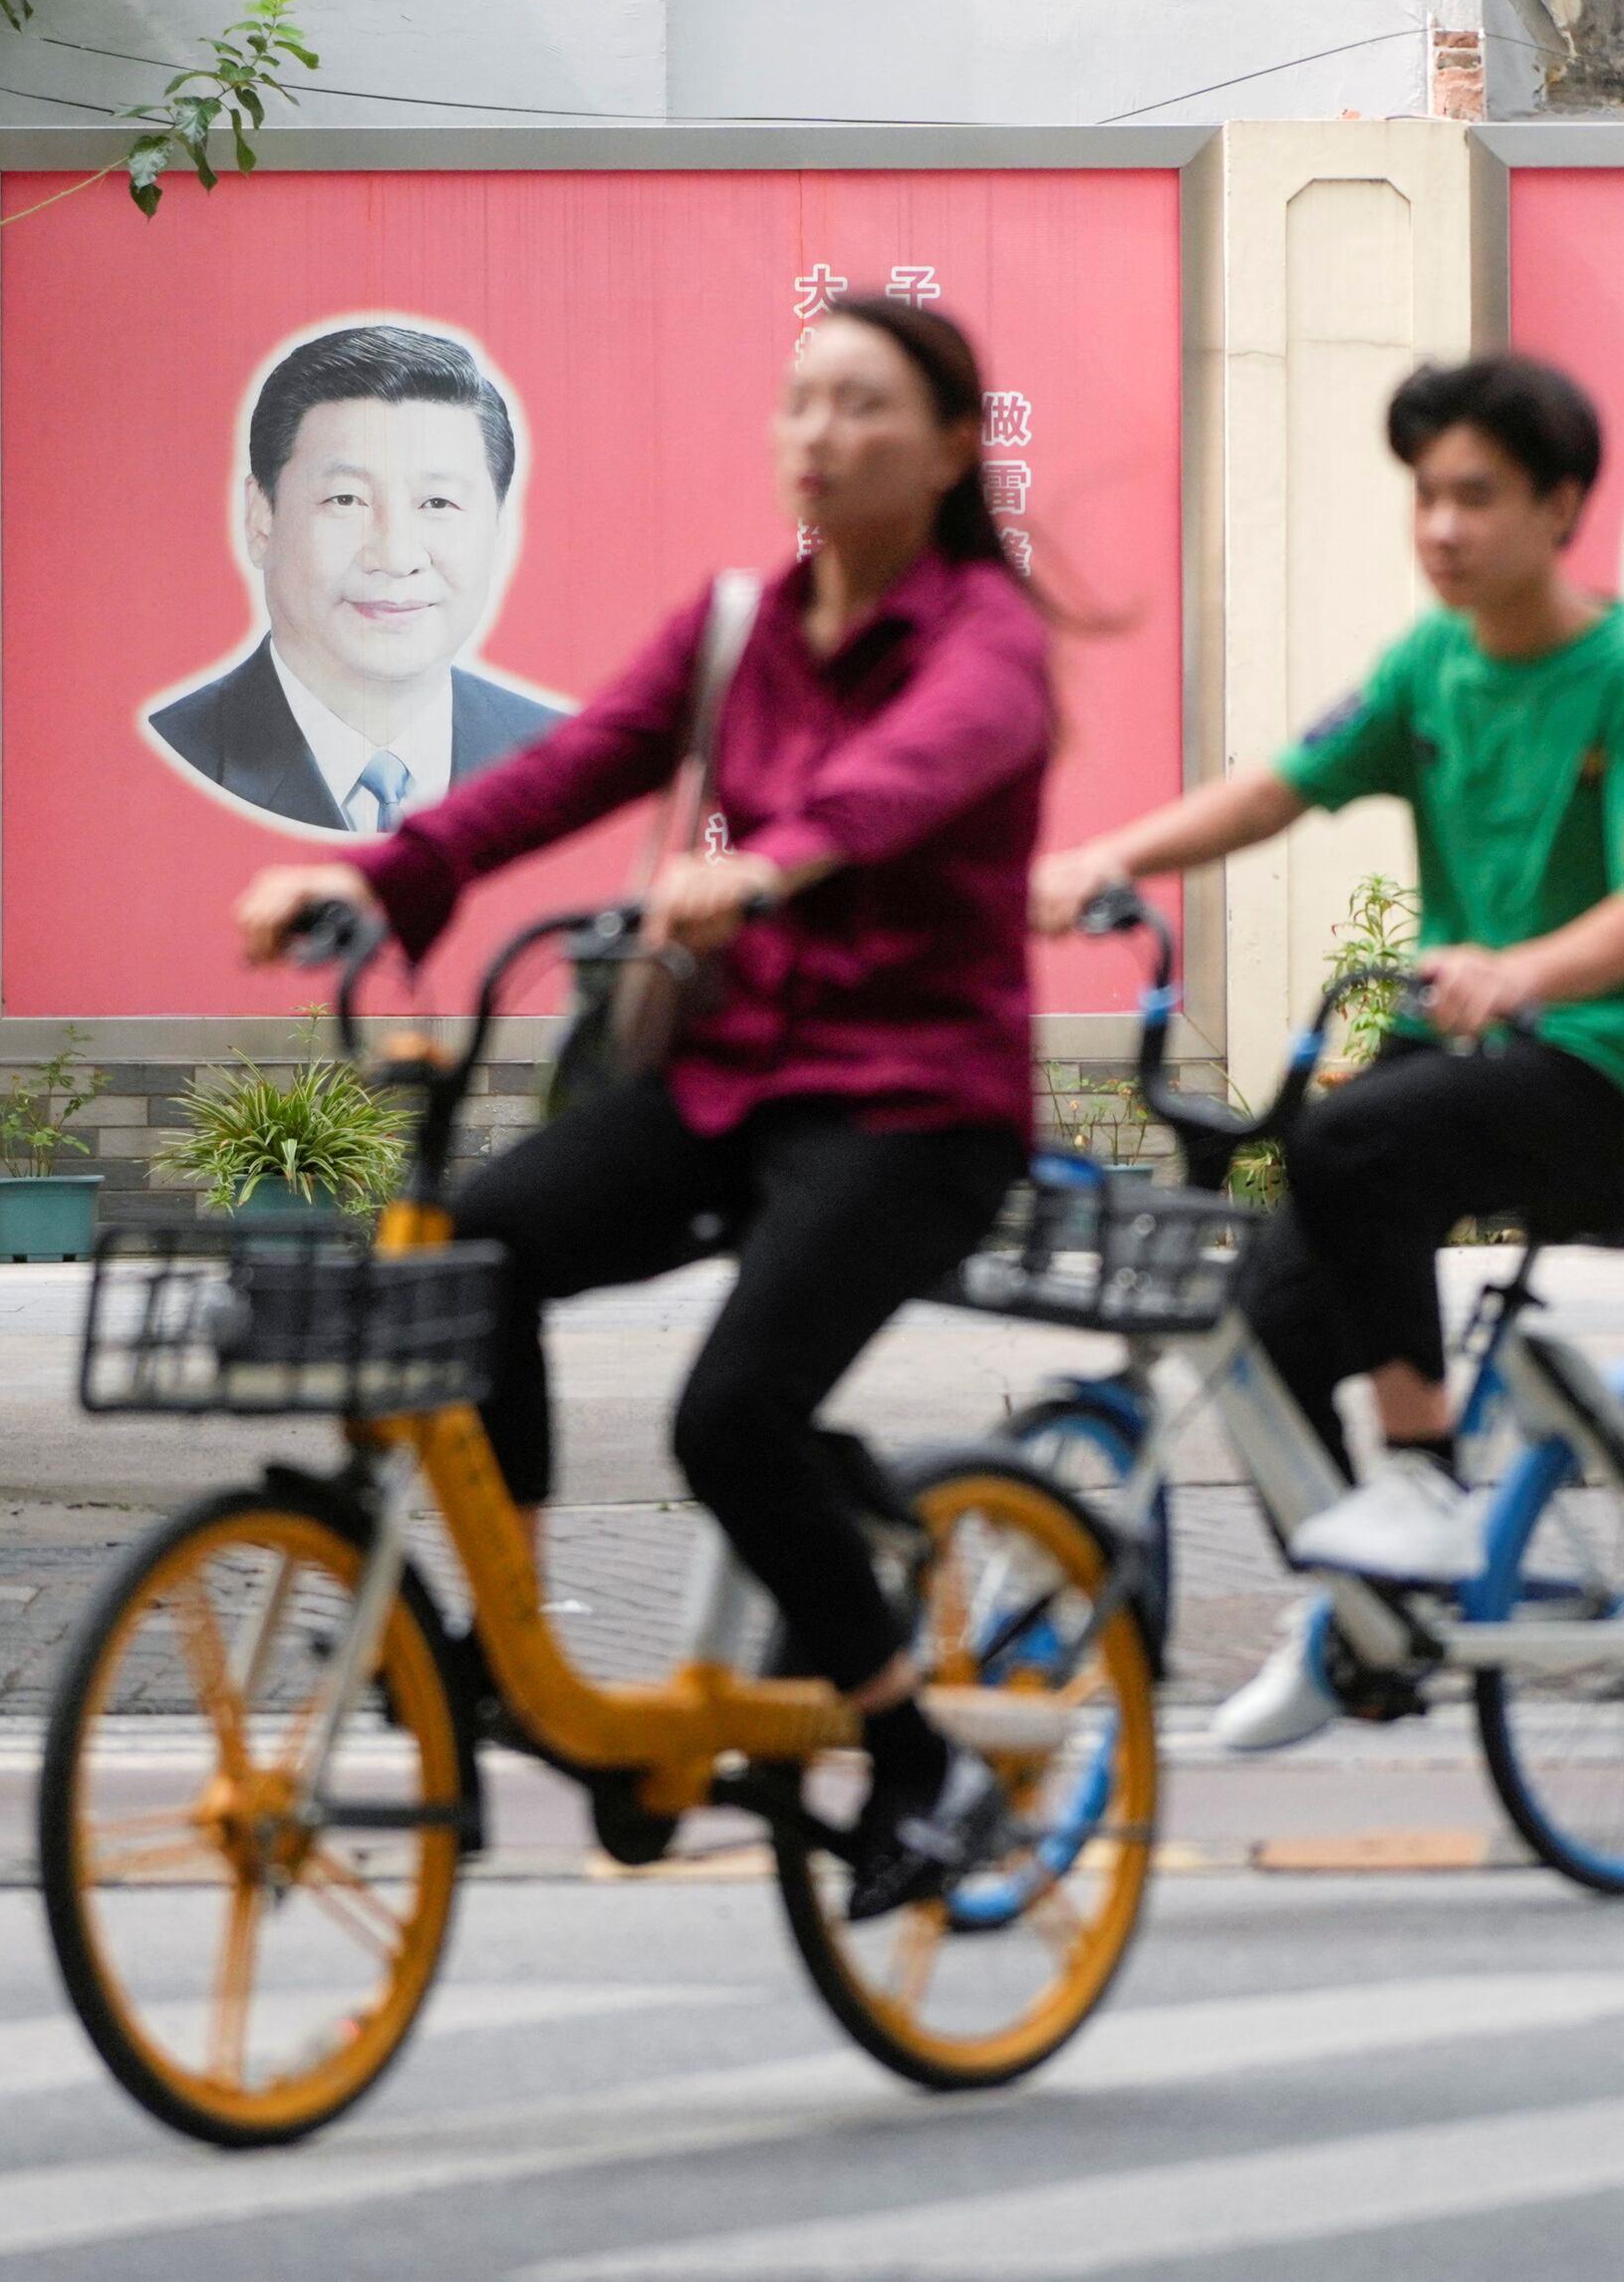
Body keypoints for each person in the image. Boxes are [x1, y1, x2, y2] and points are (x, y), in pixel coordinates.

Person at [234, 295, 1052, 1915]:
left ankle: (919, 1757)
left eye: (867, 405)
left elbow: (918, 770)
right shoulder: (741, 620)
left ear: (955, 446)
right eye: (804, 397)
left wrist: (771, 858)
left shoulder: (988, 635)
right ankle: (516, 1646)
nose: (823, 430)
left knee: (728, 1413)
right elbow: (580, 756)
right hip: (728, 1079)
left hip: (915, 1110)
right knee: (471, 1248)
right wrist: (381, 876)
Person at [1032, 354, 1624, 1753]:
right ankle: (1364, 1622)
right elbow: (1278, 787)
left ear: (1560, 505)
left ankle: (1420, 1482)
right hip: (1453, 1049)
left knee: (1353, 1139)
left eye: (1477, 496)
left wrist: (1517, 968)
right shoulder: (1430, 665)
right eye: (1425, 497)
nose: (1444, 527)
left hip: (1597, 1057)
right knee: (1265, 1326)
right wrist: (1110, 853)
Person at [148, 322, 563, 831]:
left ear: (498, 526)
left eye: (437, 502)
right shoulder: (163, 760)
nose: (395, 556)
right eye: (346, 500)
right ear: (261, 519)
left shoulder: (562, 763)